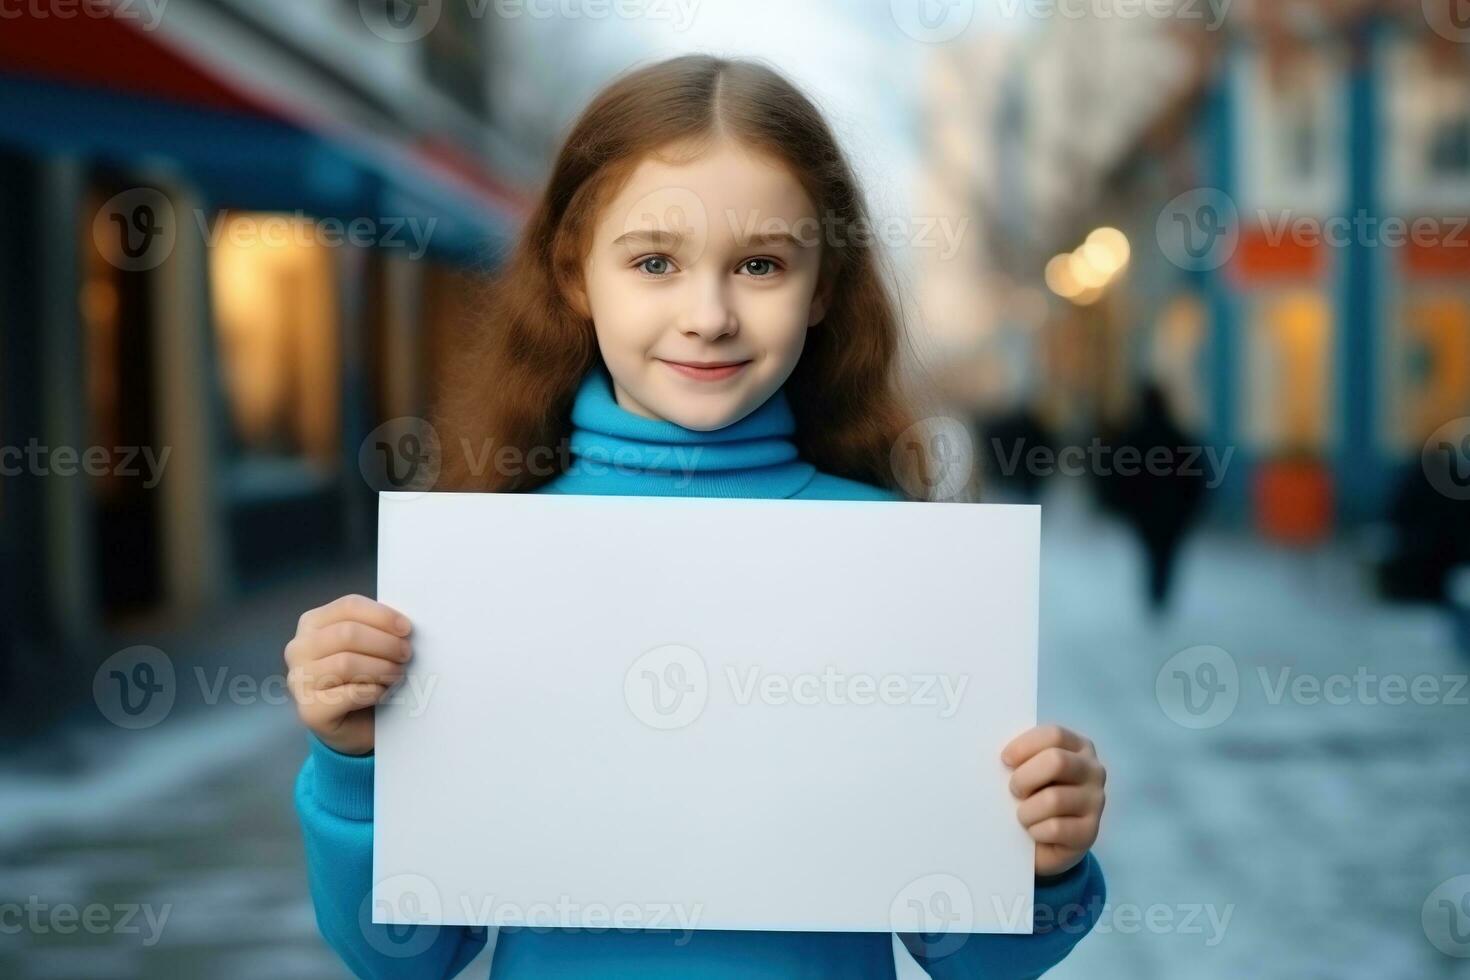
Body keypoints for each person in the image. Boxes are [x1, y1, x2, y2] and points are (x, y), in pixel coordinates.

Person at [286, 55, 1106, 979]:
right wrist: (354, 763)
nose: (708, 314)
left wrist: (1041, 862)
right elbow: (404, 956)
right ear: (574, 276)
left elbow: (966, 958)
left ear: (823, 287)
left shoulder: (900, 567)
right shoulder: (483, 567)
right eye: (654, 262)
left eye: (760, 264)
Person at [1096, 383, 1206, 613]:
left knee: (1151, 552)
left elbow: (1115, 474)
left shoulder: (1133, 437)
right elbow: (1197, 476)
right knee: (1165, 554)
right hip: (1173, 511)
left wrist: (1115, 502)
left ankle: (1155, 594)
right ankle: (1160, 593)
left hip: (1143, 511)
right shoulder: (1177, 437)